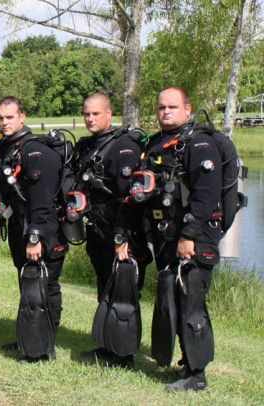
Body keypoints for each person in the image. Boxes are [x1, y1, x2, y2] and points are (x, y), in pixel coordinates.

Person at [119, 87, 221, 391]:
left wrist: (190, 235)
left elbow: (206, 194)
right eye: (162, 107)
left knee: (191, 302)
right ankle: (187, 363)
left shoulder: (199, 144)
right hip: (165, 237)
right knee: (173, 299)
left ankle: (197, 375)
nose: (166, 112)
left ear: (187, 109)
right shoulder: (155, 144)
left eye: (173, 107)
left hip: (193, 238)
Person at [0, 96, 68, 363]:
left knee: (46, 286)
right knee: (28, 285)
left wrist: (35, 238)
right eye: (0, 118)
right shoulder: (8, 149)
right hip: (20, 226)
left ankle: (45, 346)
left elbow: (42, 201)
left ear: (22, 117)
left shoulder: (35, 151)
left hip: (44, 230)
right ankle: (29, 336)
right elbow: (7, 194)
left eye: (9, 117)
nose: (4, 122)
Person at [73, 93, 151, 367]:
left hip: (121, 233)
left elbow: (128, 199)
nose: (90, 118)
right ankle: (108, 345)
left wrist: (122, 236)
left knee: (123, 291)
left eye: (95, 113)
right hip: (98, 230)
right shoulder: (89, 146)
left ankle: (124, 353)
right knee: (104, 285)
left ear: (109, 113)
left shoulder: (124, 147)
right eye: (86, 114)